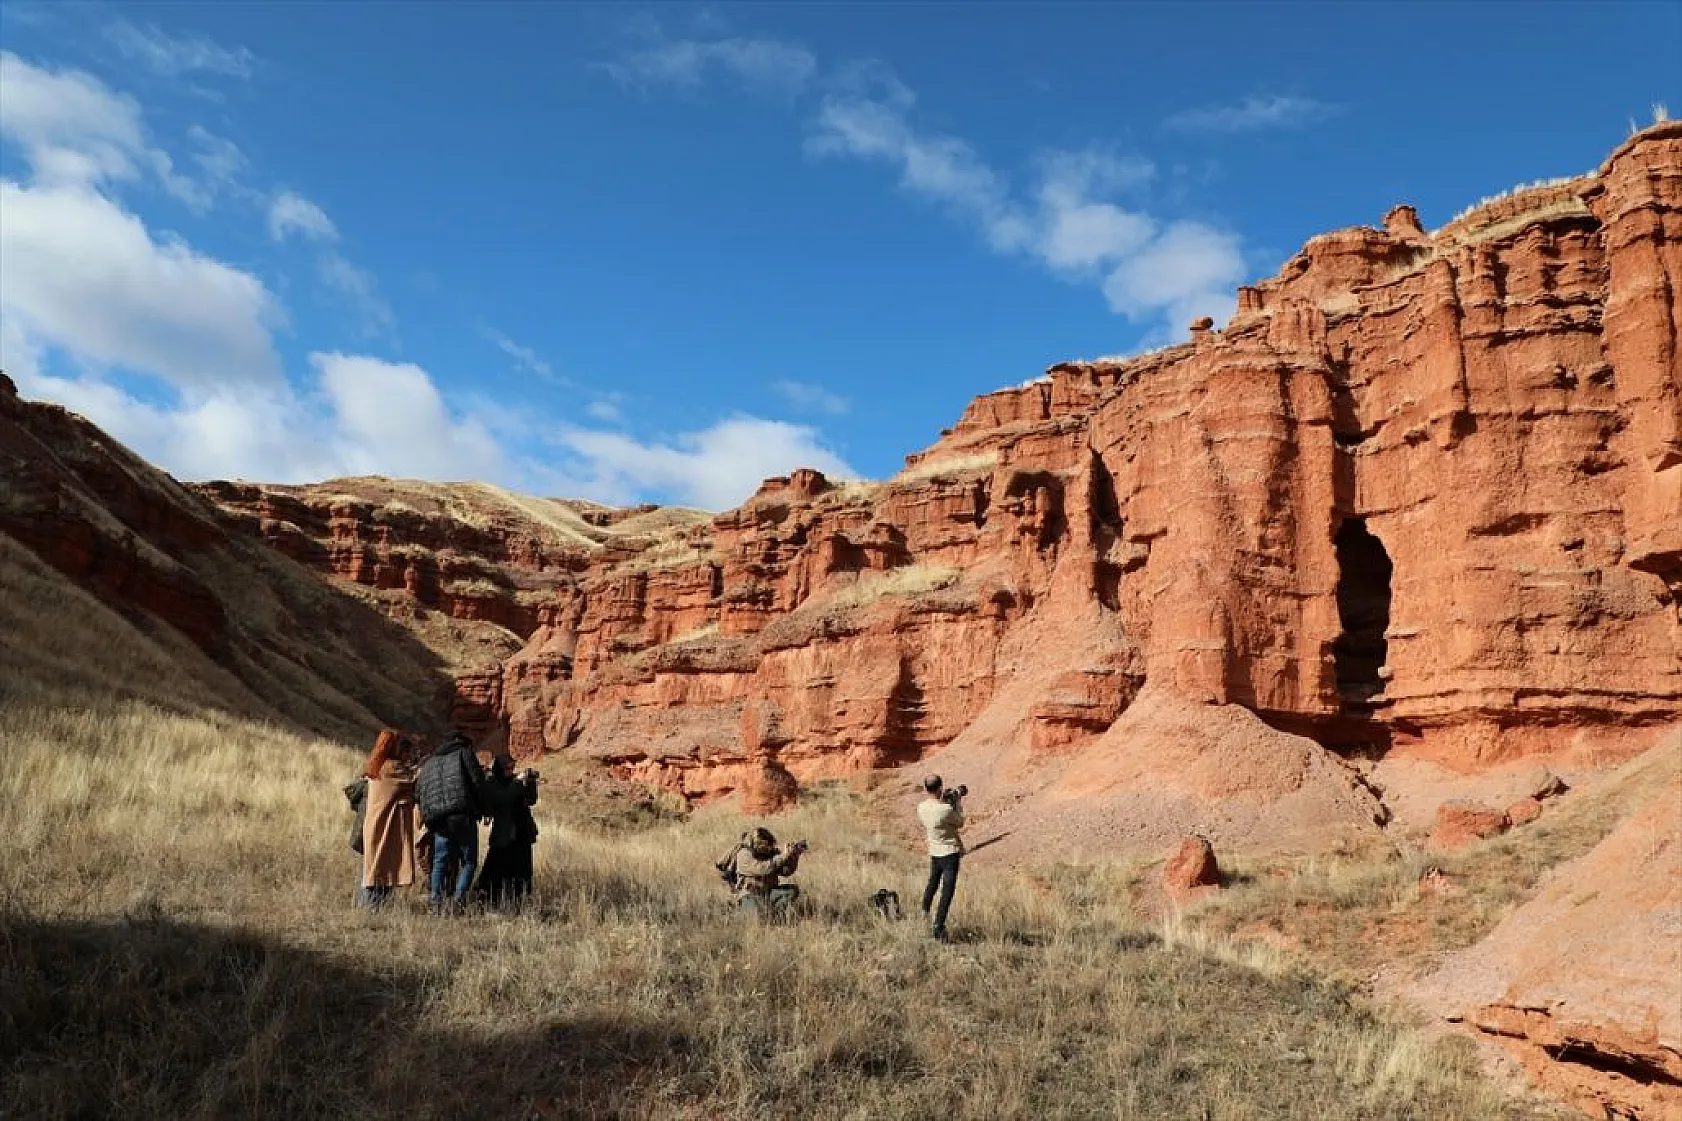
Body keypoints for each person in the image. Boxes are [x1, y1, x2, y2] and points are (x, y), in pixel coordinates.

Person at [416, 729, 488, 914]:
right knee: (469, 861)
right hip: (461, 814)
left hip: (437, 819)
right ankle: (458, 901)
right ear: (461, 742)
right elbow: (478, 782)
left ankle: (435, 903)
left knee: (440, 860)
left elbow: (418, 793)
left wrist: (428, 816)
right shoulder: (464, 754)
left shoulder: (429, 762)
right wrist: (485, 809)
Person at [361, 729, 420, 907]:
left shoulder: (378, 765)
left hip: (377, 824)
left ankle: (371, 907)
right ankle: (373, 908)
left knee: (375, 867)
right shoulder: (392, 768)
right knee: (382, 867)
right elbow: (413, 781)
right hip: (384, 825)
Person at [475, 756, 539, 909]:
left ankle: (518, 902)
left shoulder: (514, 782)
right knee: (495, 871)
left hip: (521, 833)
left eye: (512, 768)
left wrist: (530, 783)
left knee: (521, 872)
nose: (510, 772)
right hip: (503, 835)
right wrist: (518, 783)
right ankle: (489, 901)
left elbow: (531, 800)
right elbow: (504, 798)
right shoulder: (493, 783)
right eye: (507, 769)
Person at [715, 827, 807, 919]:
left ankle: (774, 915)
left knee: (791, 891)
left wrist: (794, 857)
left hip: (769, 892)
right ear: (758, 844)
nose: (768, 849)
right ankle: (734, 911)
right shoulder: (743, 854)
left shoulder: (769, 853)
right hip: (750, 894)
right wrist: (783, 856)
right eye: (766, 846)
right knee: (758, 917)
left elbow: (786, 872)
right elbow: (762, 869)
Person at [917, 774, 965, 942]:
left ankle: (924, 910)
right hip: (949, 853)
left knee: (933, 882)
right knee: (947, 890)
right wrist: (957, 803)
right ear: (940, 788)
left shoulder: (921, 807)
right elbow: (960, 822)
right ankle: (939, 924)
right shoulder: (945, 810)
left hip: (934, 851)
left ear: (925, 789)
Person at [343, 770, 370, 905]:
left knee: (364, 868)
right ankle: (365, 902)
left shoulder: (363, 785)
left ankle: (359, 901)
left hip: (360, 830)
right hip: (370, 830)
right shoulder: (373, 786)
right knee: (369, 868)